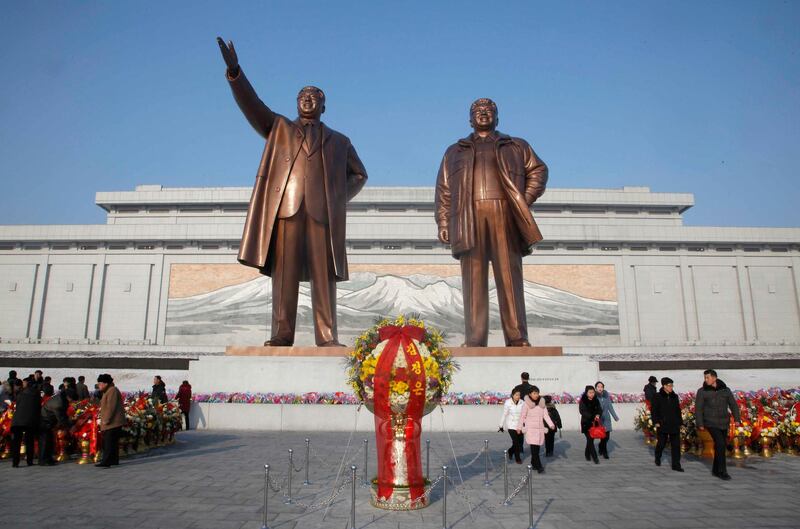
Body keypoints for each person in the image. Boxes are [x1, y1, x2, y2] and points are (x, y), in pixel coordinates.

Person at [217, 37, 368, 347]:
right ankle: (282, 333)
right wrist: (235, 72)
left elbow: (360, 174)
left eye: (314, 96)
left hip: (321, 214)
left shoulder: (340, 141)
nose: (307, 99)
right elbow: (253, 106)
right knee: (283, 274)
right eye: (302, 95)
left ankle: (327, 336)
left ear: (324, 105)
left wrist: (337, 197)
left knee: (323, 276)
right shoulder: (279, 128)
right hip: (286, 209)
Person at [435, 98, 548, 347]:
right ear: (470, 118)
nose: (483, 114)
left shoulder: (516, 145)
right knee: (473, 278)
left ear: (497, 117)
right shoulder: (455, 151)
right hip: (468, 215)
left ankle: (517, 337)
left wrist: (523, 199)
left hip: (504, 213)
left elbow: (538, 170)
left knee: (509, 275)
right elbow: (444, 189)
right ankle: (475, 338)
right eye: (477, 111)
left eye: (488, 111)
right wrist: (443, 222)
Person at [695, 369, 740, 480]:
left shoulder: (725, 390)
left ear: (714, 378)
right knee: (720, 444)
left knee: (720, 446)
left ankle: (715, 469)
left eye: (708, 377)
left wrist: (737, 419)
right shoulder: (702, 391)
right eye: (705, 378)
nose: (706, 380)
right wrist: (700, 423)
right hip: (710, 422)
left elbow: (733, 405)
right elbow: (698, 409)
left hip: (724, 422)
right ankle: (722, 471)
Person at [517, 386, 555, 473]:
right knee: (534, 449)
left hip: (540, 429)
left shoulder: (542, 403)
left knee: (537, 448)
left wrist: (551, 425)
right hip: (531, 429)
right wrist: (519, 427)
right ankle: (539, 466)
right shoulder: (526, 404)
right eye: (534, 393)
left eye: (537, 393)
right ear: (530, 394)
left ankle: (533, 462)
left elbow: (546, 415)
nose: (536, 395)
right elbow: (522, 416)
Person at [652, 377, 683, 472]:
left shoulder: (675, 396)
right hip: (662, 424)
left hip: (674, 424)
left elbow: (678, 410)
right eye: (669, 385)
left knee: (676, 445)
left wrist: (680, 422)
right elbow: (654, 410)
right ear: (664, 386)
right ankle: (658, 457)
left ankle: (676, 464)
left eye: (672, 385)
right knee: (661, 443)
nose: (671, 387)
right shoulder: (657, 396)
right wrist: (656, 422)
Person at [96, 374, 126, 468]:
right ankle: (113, 460)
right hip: (112, 422)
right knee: (112, 442)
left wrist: (107, 419)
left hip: (112, 422)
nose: (99, 385)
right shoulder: (108, 390)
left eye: (100, 383)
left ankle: (106, 461)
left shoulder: (112, 390)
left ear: (106, 383)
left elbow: (111, 407)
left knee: (108, 442)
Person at [10, 377, 40, 467]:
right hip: (30, 421)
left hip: (17, 420)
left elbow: (17, 406)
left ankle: (15, 463)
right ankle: (29, 461)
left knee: (16, 442)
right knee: (29, 441)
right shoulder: (36, 395)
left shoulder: (20, 394)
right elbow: (38, 408)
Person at [39, 384, 64, 466]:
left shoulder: (46, 399)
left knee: (49, 441)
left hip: (48, 422)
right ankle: (43, 459)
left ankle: (49, 457)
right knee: (45, 441)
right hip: (45, 422)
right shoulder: (47, 399)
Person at [498, 388, 525, 464]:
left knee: (519, 443)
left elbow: (524, 414)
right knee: (516, 442)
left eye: (519, 395)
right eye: (516, 395)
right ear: (512, 395)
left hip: (520, 425)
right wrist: (501, 425)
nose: (518, 396)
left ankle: (510, 451)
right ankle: (518, 458)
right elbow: (504, 414)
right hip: (511, 425)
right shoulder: (508, 402)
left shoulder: (522, 402)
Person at [595, 381, 619, 459]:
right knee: (603, 436)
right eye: (598, 387)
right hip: (599, 419)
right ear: (596, 388)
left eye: (601, 387)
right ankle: (605, 452)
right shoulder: (594, 396)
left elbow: (610, 406)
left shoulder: (606, 395)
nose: (600, 388)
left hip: (607, 419)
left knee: (607, 437)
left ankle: (600, 446)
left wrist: (615, 417)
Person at [579, 385, 603, 464]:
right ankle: (595, 458)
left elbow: (599, 409)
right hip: (586, 423)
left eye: (593, 392)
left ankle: (587, 453)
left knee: (591, 440)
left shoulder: (596, 400)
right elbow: (582, 411)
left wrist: (598, 414)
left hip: (594, 423)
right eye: (590, 392)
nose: (592, 394)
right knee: (589, 439)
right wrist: (593, 416)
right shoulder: (583, 400)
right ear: (586, 393)